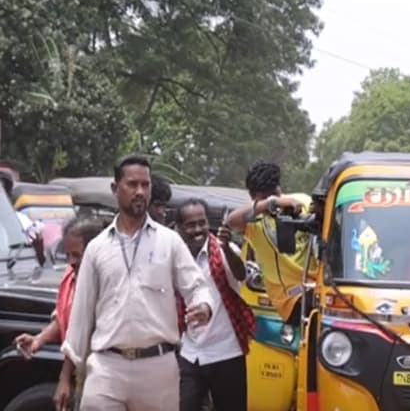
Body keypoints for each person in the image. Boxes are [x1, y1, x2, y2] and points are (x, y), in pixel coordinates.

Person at [61, 156, 215, 411]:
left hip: (158, 369)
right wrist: (65, 378)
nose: (140, 191)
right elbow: (80, 317)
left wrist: (204, 306)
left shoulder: (170, 242)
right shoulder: (97, 248)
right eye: (132, 184)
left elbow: (197, 286)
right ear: (115, 189)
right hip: (107, 368)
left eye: (146, 185)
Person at [13, 216, 106, 411]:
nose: (71, 262)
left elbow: (80, 333)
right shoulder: (71, 276)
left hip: (104, 375)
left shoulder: (106, 283)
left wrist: (64, 378)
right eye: (68, 255)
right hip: (82, 373)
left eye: (77, 255)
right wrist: (39, 340)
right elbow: (65, 318)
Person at [174, 199, 252, 411]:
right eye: (191, 225)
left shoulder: (224, 250)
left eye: (202, 222)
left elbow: (240, 274)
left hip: (226, 352)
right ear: (179, 228)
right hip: (190, 352)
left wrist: (226, 248)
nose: (198, 229)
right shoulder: (174, 257)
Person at [225, 160, 318, 326]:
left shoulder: (302, 202)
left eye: (275, 193)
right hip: (289, 298)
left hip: (317, 287)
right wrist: (271, 203)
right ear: (254, 198)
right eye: (265, 197)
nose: (275, 202)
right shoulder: (252, 222)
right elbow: (231, 221)